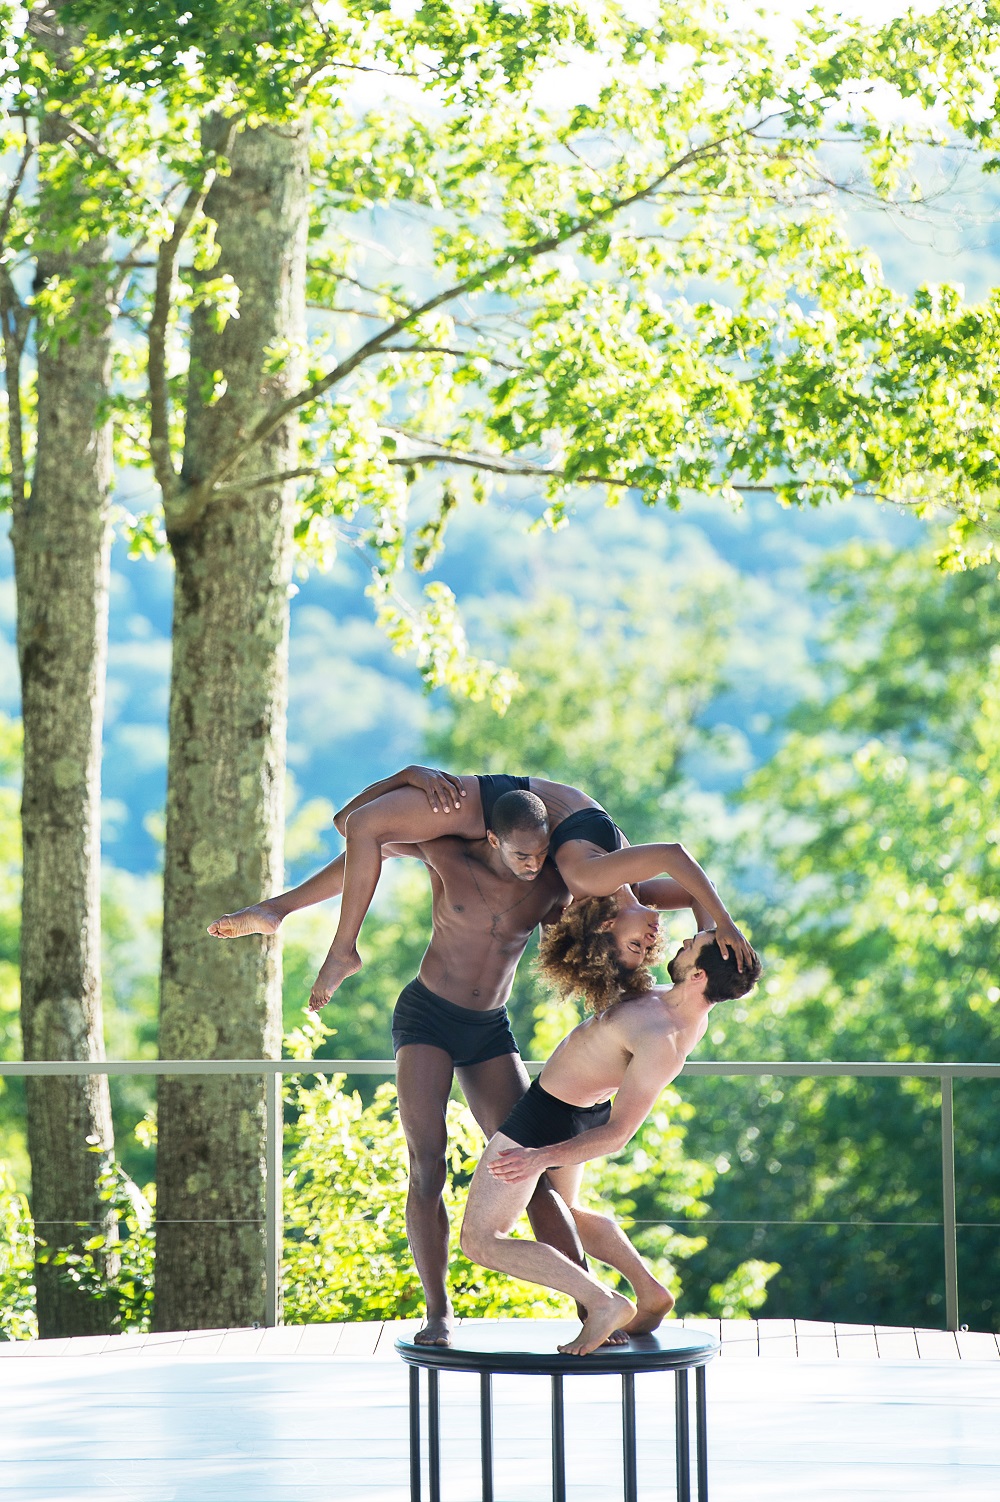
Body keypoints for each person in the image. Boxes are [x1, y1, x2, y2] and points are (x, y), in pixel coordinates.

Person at [459, 893, 762, 1356]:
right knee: (569, 1213)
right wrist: (723, 924)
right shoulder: (683, 1000)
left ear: (699, 975)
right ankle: (649, 1290)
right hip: (572, 1112)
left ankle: (602, 1302)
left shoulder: (664, 1039)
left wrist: (538, 1156)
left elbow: (619, 1135)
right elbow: (705, 926)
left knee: (481, 1241)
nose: (678, 942)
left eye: (688, 947)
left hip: (547, 1120)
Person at [219, 763, 754, 1004]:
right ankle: (324, 938)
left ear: (609, 926)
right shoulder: (598, 878)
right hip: (521, 802)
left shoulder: (603, 889)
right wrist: (713, 935)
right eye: (651, 945)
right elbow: (679, 861)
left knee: (366, 836)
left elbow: (684, 884)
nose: (659, 936)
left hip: (521, 824)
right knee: (357, 827)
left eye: (642, 945)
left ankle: (284, 915)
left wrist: (709, 936)